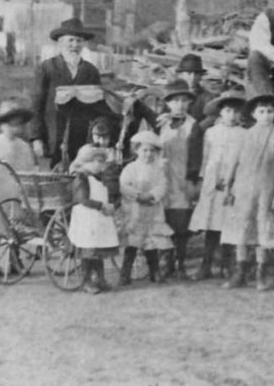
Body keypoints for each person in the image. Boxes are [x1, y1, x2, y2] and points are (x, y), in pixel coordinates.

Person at [221, 93, 274, 291]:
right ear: (253, 114)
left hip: (266, 190)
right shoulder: (244, 135)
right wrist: (227, 186)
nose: (266, 115)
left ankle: (261, 272)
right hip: (243, 189)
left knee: (263, 226)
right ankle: (240, 272)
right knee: (241, 227)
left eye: (270, 111)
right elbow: (233, 162)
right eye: (261, 111)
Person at [31, 18, 115, 169]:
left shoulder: (90, 71)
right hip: (53, 135)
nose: (75, 45)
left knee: (79, 177)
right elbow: (37, 105)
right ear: (60, 42)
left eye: (79, 41)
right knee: (53, 178)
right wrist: (36, 138)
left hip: (82, 137)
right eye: (70, 40)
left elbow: (98, 107)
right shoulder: (47, 68)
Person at [189, 89, 246, 280]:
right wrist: (202, 179)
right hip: (212, 182)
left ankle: (225, 265)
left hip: (233, 184)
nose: (232, 115)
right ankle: (205, 265)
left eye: (236, 111)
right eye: (228, 111)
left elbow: (243, 162)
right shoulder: (211, 133)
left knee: (228, 224)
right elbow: (206, 159)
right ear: (221, 112)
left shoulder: (244, 134)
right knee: (211, 225)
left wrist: (234, 182)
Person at [0, 97, 38, 278]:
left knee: (16, 226)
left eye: (18, 125)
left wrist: (27, 189)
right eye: (10, 125)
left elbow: (28, 169)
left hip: (15, 191)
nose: (15, 129)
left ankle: (15, 259)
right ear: (2, 125)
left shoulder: (23, 147)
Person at [157, 79, 204, 280]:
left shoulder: (194, 126)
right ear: (168, 103)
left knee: (182, 224)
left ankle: (180, 262)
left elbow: (196, 156)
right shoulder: (161, 124)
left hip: (183, 178)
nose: (180, 105)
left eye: (184, 100)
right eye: (175, 101)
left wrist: (193, 181)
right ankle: (165, 262)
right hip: (163, 180)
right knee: (164, 221)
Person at [118, 131, 174, 285]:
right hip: (135, 210)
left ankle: (154, 271)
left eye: (152, 151)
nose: (148, 154)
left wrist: (151, 195)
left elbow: (163, 186)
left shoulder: (158, 169)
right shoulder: (130, 168)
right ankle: (125, 273)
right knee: (133, 241)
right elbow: (124, 186)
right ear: (137, 150)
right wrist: (137, 195)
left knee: (151, 241)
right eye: (144, 150)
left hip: (152, 209)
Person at [67, 145, 121, 294]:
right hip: (86, 219)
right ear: (84, 163)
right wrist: (101, 205)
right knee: (88, 253)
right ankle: (86, 281)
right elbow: (83, 200)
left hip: (99, 220)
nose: (99, 165)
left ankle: (100, 279)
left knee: (99, 251)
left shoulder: (100, 179)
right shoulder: (82, 179)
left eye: (102, 162)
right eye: (94, 161)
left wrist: (110, 205)